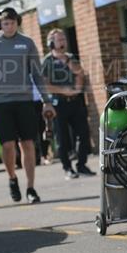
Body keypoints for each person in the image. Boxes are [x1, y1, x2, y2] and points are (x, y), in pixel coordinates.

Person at [0, 7, 56, 204]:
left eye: (13, 23)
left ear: (17, 23)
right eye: (6, 23)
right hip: (1, 102)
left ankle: (31, 188)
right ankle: (12, 178)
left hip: (24, 101)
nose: (10, 26)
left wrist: (47, 100)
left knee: (28, 144)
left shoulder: (27, 43)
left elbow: (37, 74)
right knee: (8, 145)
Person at [41, 29, 95, 179]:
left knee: (83, 134)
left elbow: (80, 74)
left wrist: (76, 88)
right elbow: (45, 85)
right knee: (62, 138)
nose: (63, 42)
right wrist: (65, 90)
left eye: (63, 39)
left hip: (76, 102)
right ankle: (67, 168)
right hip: (59, 103)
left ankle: (82, 165)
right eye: (59, 40)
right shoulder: (47, 61)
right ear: (51, 43)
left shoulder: (71, 58)